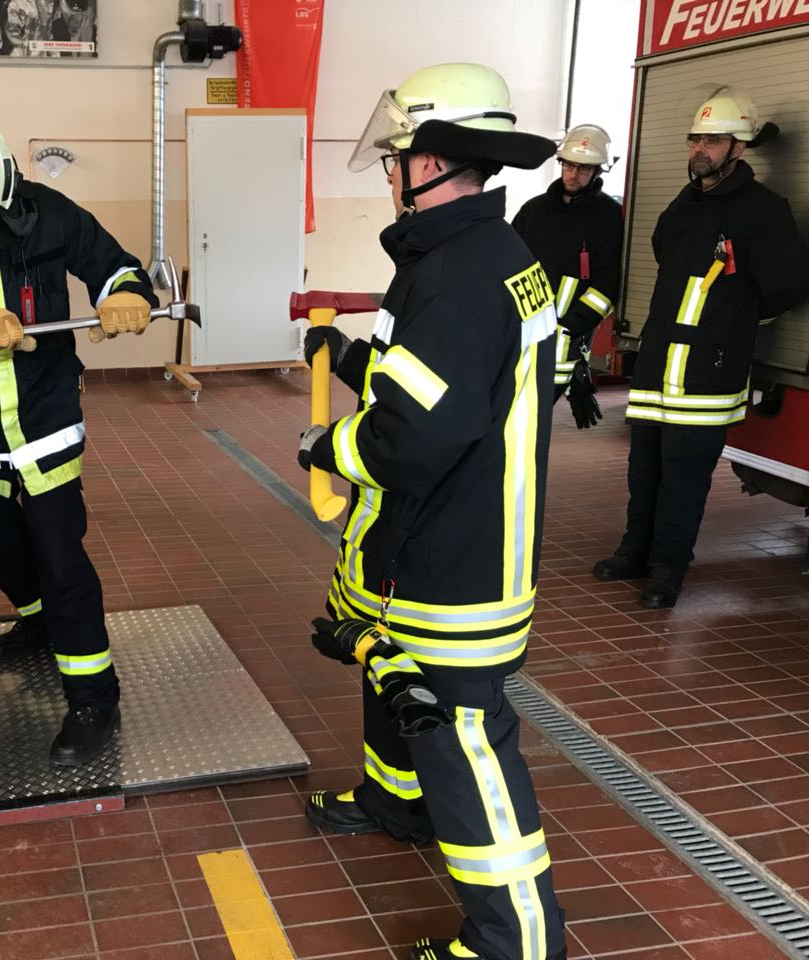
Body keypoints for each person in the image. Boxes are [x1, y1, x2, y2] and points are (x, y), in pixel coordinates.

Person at [296, 63, 566, 960]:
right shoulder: (484, 255)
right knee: (395, 690)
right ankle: (396, 803)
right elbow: (441, 386)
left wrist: (326, 448)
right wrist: (348, 358)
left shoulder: (454, 276)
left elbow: (412, 440)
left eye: (398, 156)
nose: (389, 172)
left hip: (454, 564)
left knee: (460, 741)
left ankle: (515, 942)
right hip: (449, 543)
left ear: (434, 161)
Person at [0, 110, 155, 765]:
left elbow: (115, 267)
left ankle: (94, 700)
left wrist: (126, 293)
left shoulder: (51, 215)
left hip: (44, 421)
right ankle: (36, 620)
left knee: (61, 558)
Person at [593, 86, 809, 608]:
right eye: (695, 139)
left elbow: (788, 283)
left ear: (739, 147)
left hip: (707, 372)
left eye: (712, 141)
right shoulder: (685, 203)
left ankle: (667, 570)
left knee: (685, 477)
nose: (699, 149)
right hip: (658, 364)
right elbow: (662, 250)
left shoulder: (763, 210)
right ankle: (634, 552)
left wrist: (733, 321)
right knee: (644, 468)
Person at [512, 124, 623, 429]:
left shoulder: (609, 217)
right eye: (569, 165)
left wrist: (571, 326)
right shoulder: (533, 211)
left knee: (530, 423)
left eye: (584, 168)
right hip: (517, 335)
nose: (574, 174)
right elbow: (506, 266)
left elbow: (607, 284)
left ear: (598, 171)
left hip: (563, 344)